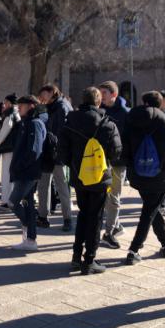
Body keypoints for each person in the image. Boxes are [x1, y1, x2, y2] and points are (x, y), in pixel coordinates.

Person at [59, 87, 121, 274]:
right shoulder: (107, 124)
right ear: (98, 101)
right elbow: (116, 152)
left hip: (79, 177)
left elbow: (62, 154)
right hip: (100, 177)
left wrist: (76, 164)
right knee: (95, 218)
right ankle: (90, 260)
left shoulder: (69, 122)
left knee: (84, 214)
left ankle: (76, 257)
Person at [121, 91, 165, 266]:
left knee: (152, 209)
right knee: (149, 211)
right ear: (161, 104)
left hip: (138, 177)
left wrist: (132, 168)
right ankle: (134, 250)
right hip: (161, 177)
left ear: (144, 102)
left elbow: (123, 151)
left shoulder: (131, 124)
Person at [8, 95, 47, 251]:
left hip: (27, 173)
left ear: (31, 106)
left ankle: (28, 227)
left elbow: (34, 151)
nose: (18, 108)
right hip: (24, 172)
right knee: (28, 204)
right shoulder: (26, 123)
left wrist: (20, 166)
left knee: (12, 202)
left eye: (21, 106)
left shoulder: (35, 124)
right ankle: (30, 240)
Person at [36, 84, 73, 231]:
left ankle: (67, 219)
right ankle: (43, 216)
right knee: (43, 185)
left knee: (61, 186)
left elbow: (61, 131)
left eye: (43, 94)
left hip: (57, 153)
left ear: (52, 92)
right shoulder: (50, 107)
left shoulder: (62, 107)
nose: (41, 98)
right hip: (47, 152)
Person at [98, 81, 129, 249]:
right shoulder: (102, 110)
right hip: (103, 160)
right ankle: (115, 225)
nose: (101, 96)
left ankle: (109, 233)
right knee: (107, 196)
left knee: (114, 197)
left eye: (104, 93)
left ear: (113, 95)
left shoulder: (124, 113)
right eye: (100, 92)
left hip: (118, 162)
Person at [0, 94, 20, 207]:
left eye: (6, 102)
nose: (4, 104)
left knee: (7, 175)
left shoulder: (10, 115)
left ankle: (7, 201)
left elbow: (2, 135)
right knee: (11, 175)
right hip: (14, 148)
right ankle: (10, 200)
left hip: (9, 149)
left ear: (10, 103)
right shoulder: (16, 114)